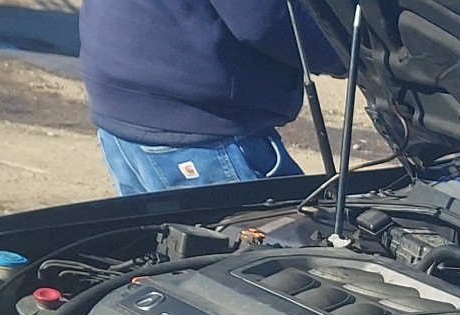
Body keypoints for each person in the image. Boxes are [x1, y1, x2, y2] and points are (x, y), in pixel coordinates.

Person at [79, 0, 346, 196]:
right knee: (282, 262)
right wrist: (350, 52)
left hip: (122, 107)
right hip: (197, 127)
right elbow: (264, 19)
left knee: (172, 264)